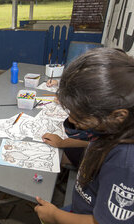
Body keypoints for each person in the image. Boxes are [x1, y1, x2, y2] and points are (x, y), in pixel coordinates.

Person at [35, 48, 134, 224]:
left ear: (118, 115)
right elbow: (96, 143)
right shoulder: (115, 129)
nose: (72, 119)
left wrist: (55, 216)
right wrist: (65, 142)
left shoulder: (125, 164)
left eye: (80, 115)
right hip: (81, 207)